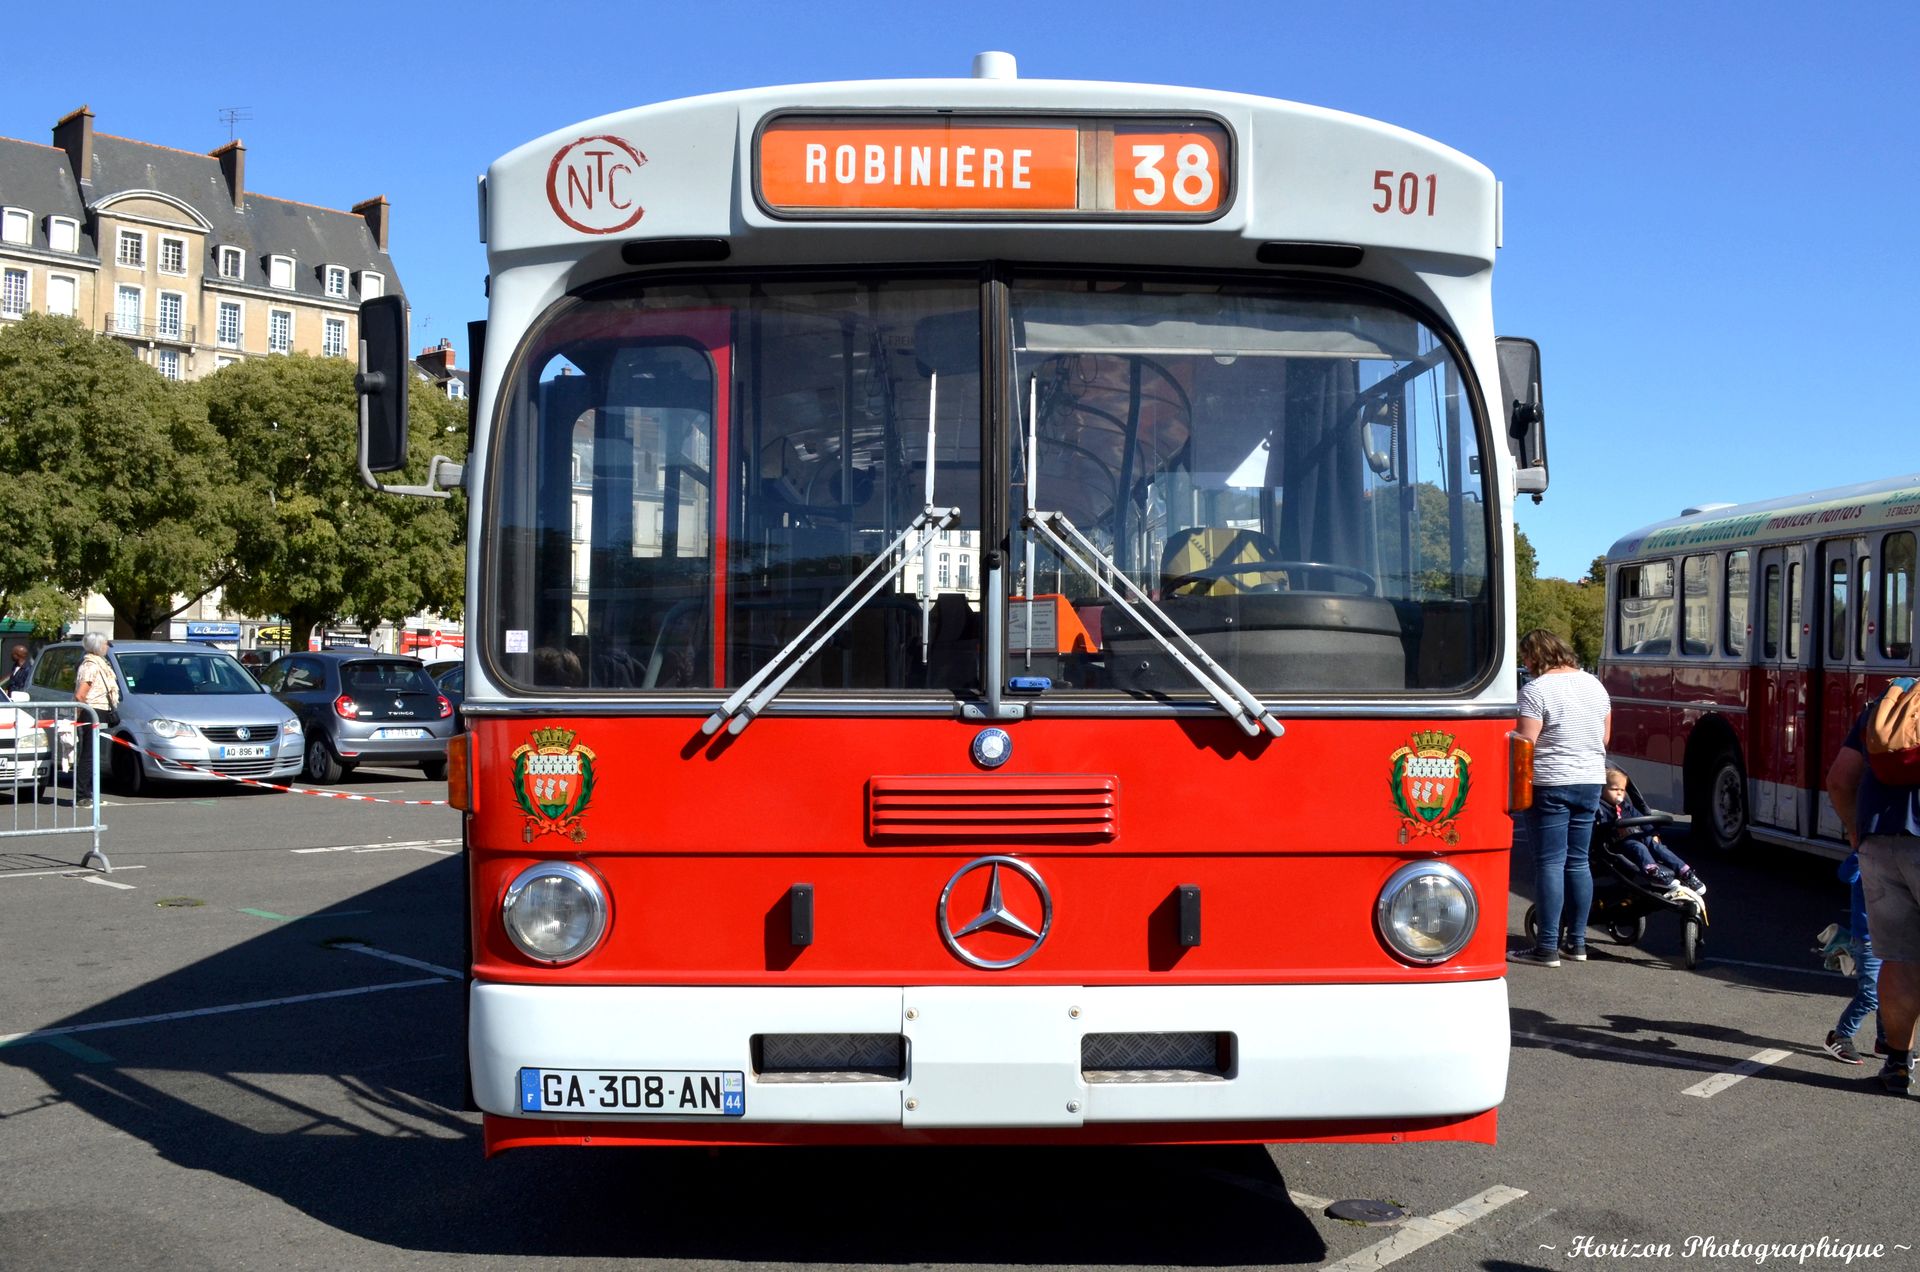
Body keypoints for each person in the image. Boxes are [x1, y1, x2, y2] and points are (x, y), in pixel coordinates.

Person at [1826, 679, 1920, 1095]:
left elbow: (1839, 779)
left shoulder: (1888, 700)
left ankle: (1897, 1067)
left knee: (1898, 961)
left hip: (1878, 844)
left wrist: (1854, 830)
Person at [1510, 629, 1612, 967]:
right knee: (1578, 861)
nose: (1524, 663)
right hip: (1591, 780)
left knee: (1550, 862)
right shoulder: (1595, 685)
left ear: (1535, 656)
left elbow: (1526, 742)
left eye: (1525, 657)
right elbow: (1605, 736)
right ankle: (1578, 943)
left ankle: (1547, 947)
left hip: (1551, 781)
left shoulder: (1536, 690)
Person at [1820, 850, 1887, 1065]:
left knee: (1890, 991)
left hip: (1892, 936)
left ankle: (1886, 1041)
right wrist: (1862, 852)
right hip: (1868, 937)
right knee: (1871, 995)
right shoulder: (1867, 854)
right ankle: (1840, 1035)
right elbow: (1846, 875)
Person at [1597, 767, 1705, 895]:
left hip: (1635, 834)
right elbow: (1602, 826)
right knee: (1639, 847)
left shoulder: (1626, 807)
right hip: (1618, 842)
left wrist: (1653, 833)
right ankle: (1652, 872)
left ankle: (1684, 872)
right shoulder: (1600, 807)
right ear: (1602, 790)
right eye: (1614, 789)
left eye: (1622, 790)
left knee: (1656, 846)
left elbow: (1642, 819)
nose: (1619, 793)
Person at [71, 633, 119, 808]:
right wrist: (86, 712)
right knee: (89, 754)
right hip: (92, 711)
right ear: (98, 646)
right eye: (106, 644)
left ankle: (90, 793)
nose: (107, 648)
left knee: (95, 754)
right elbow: (80, 694)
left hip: (100, 711)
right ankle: (82, 795)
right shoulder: (90, 665)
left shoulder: (100, 663)